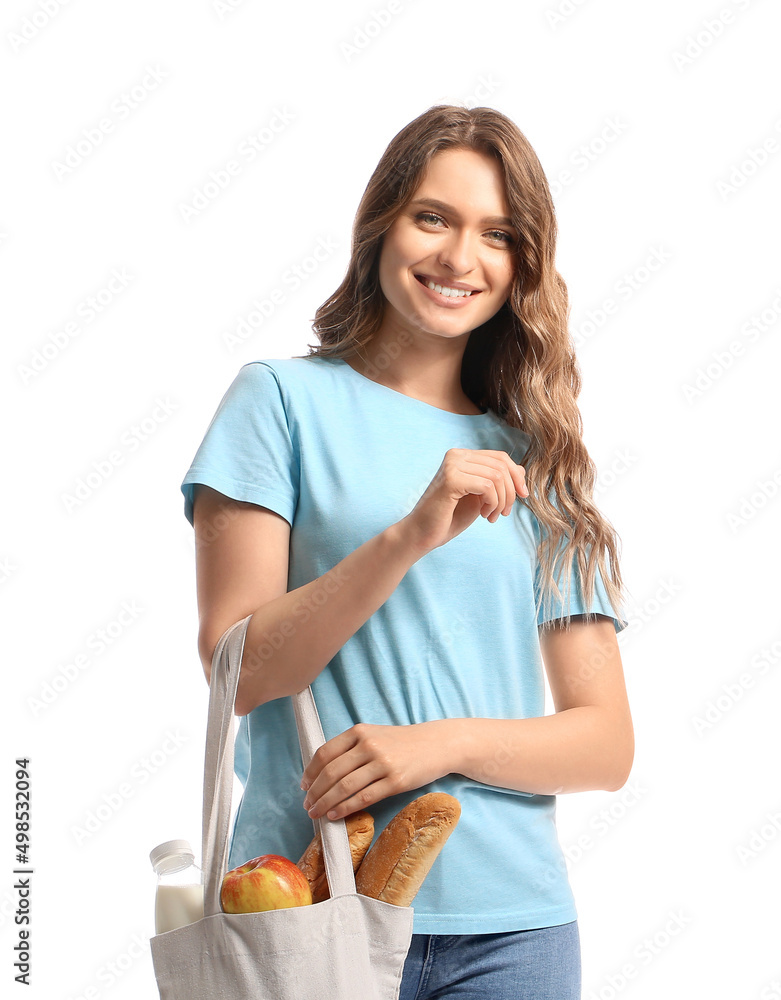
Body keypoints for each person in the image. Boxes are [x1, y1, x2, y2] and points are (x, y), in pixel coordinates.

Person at [180, 104, 634, 1000]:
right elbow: (237, 673)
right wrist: (409, 535)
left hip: (514, 930)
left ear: (522, 266)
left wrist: (440, 746)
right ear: (381, 222)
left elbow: (605, 743)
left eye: (496, 234)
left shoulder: (535, 457)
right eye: (433, 217)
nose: (459, 258)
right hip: (304, 910)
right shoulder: (278, 403)